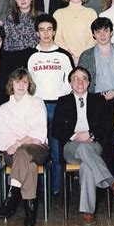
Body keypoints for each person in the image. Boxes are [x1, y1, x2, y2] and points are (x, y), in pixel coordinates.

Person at [52, 67, 114, 226]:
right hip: (71, 147)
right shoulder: (63, 101)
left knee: (87, 165)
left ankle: (88, 213)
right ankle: (112, 182)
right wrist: (74, 136)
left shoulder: (98, 100)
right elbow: (56, 129)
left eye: (84, 78)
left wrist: (91, 135)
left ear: (89, 82)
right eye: (76, 78)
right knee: (81, 148)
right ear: (70, 83)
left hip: (93, 145)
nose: (80, 82)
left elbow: (107, 127)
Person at [27, 14, 74, 196]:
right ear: (37, 33)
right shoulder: (32, 56)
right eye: (41, 30)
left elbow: (71, 81)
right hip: (37, 107)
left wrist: (62, 99)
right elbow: (27, 83)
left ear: (54, 31)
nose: (45, 33)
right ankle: (38, 189)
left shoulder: (63, 55)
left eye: (49, 29)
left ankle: (56, 189)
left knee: (56, 151)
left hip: (59, 107)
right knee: (39, 149)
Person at [0, 68, 49, 226]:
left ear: (29, 84)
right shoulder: (4, 108)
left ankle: (13, 194)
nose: (21, 85)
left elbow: (38, 132)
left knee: (24, 151)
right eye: (17, 81)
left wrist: (19, 143)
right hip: (13, 151)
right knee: (28, 163)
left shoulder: (37, 102)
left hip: (38, 149)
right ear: (11, 83)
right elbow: (2, 134)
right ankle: (30, 213)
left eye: (25, 82)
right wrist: (19, 143)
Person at [79, 17, 114, 175]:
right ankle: (100, 180)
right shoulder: (86, 56)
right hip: (95, 101)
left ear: (111, 33)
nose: (102, 35)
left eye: (106, 31)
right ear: (94, 35)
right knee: (99, 140)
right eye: (98, 31)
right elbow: (81, 80)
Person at [53, 0, 97, 65]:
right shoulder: (58, 13)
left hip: (87, 57)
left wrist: (82, 56)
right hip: (64, 57)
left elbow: (93, 38)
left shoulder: (91, 13)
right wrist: (70, 55)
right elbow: (57, 38)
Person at [3, 0, 40, 72]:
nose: (22, 0)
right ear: (15, 1)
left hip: (37, 60)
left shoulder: (42, 17)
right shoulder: (10, 19)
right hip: (15, 61)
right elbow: (6, 45)